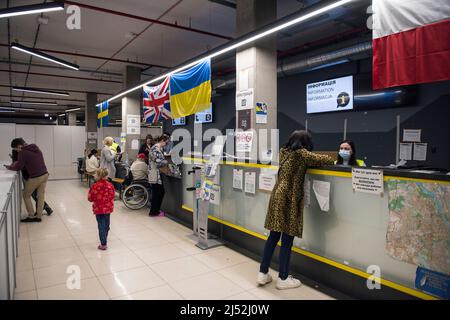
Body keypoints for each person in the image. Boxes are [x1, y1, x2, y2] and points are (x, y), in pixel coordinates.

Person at [257, 130, 334, 290]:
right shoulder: (302, 154)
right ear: (306, 143)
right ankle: (283, 278)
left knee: (273, 236)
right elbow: (326, 159)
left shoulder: (283, 152)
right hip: (290, 198)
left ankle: (263, 273)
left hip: (277, 194)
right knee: (287, 239)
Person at [5, 138, 49, 223]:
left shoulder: (22, 152)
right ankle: (39, 216)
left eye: (16, 149)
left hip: (35, 177)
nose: (16, 151)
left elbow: (19, 167)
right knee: (40, 196)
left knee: (26, 195)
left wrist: (10, 167)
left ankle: (31, 216)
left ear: (19, 146)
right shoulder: (35, 147)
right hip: (45, 174)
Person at [11, 148, 53, 216]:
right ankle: (46, 208)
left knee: (33, 194)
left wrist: (13, 164)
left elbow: (18, 164)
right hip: (34, 175)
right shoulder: (30, 151)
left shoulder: (19, 152)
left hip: (29, 176)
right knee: (37, 194)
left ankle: (46, 208)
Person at [88, 168, 115, 250]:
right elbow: (113, 196)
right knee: (106, 224)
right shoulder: (110, 185)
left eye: (96, 174)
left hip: (98, 209)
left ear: (99, 176)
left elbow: (90, 198)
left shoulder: (94, 186)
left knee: (101, 225)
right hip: (108, 208)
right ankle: (105, 233)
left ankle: (103, 244)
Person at [148, 135, 169, 217]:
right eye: (166, 142)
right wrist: (166, 161)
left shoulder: (157, 148)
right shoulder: (155, 149)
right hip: (155, 174)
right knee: (158, 192)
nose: (167, 144)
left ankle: (155, 211)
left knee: (158, 192)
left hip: (156, 173)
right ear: (162, 140)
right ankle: (154, 212)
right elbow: (158, 162)